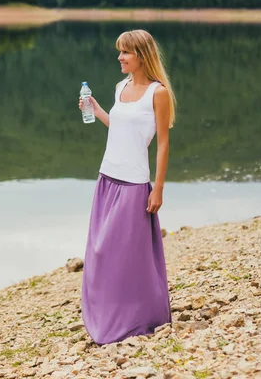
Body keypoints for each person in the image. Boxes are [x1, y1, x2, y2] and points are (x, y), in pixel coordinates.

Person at [77, 29, 175, 345]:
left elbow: (162, 144)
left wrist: (157, 189)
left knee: (130, 256)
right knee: (101, 251)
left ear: (141, 55)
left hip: (135, 184)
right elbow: (118, 127)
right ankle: (106, 315)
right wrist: (94, 108)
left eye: (125, 52)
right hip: (108, 178)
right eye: (120, 52)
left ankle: (140, 317)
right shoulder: (121, 86)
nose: (120, 57)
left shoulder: (158, 93)